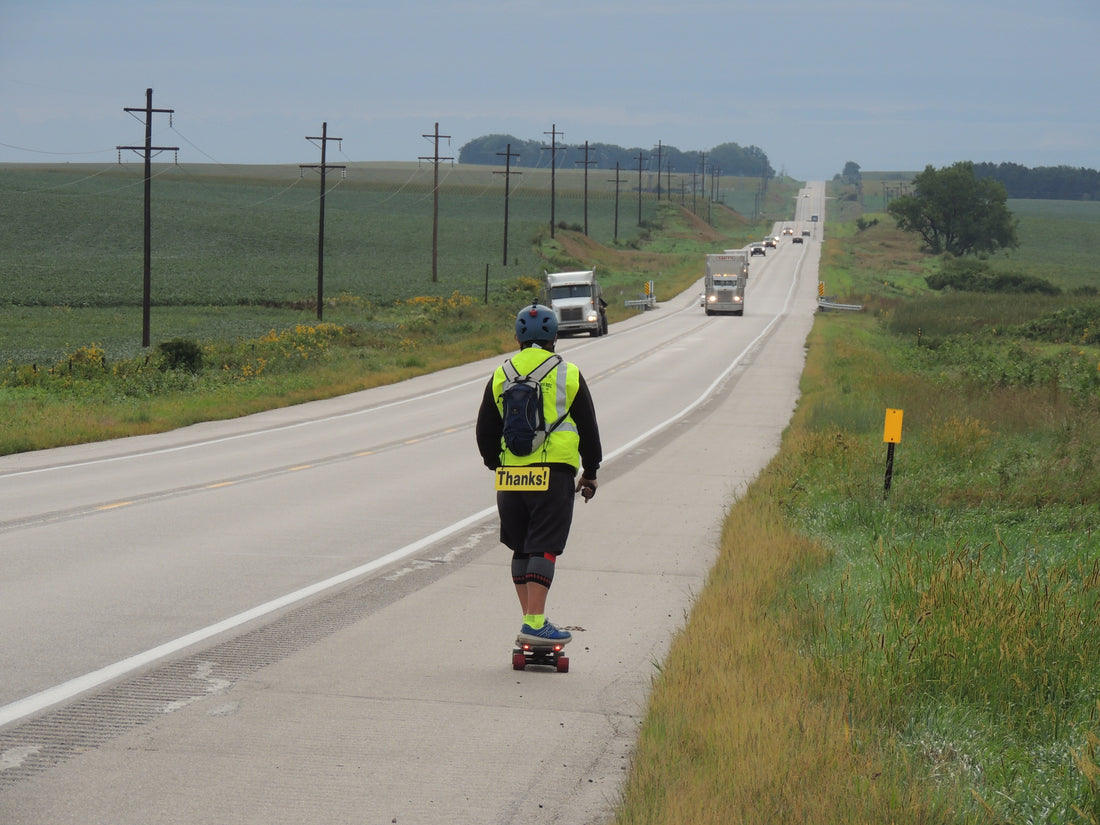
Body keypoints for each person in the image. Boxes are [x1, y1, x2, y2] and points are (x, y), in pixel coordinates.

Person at [476, 303, 602, 646]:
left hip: (510, 475)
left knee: (520, 546)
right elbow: (588, 430)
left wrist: (497, 465)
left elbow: (485, 429)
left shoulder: (501, 374)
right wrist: (589, 472)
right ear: (555, 336)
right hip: (554, 472)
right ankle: (534, 623)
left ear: (517, 336)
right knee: (543, 546)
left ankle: (532, 619)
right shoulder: (568, 373)